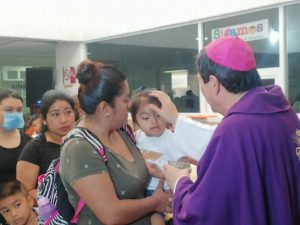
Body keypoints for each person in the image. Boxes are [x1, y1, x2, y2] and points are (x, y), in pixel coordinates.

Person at [155, 36, 300, 225]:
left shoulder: (234, 129)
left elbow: (204, 213)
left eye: (200, 83)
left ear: (214, 84)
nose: (202, 91)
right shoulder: (284, 113)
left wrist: (179, 182)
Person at [59, 59, 172, 225]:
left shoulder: (122, 130)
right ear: (105, 108)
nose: (130, 105)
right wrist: (155, 203)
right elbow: (111, 214)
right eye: (125, 100)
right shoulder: (79, 148)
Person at [130, 88, 214, 225]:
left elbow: (183, 168)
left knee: (155, 217)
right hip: (138, 188)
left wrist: (161, 174)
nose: (153, 121)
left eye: (158, 115)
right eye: (145, 117)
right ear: (136, 121)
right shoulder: (135, 138)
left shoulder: (172, 139)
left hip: (161, 190)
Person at [16, 90, 75, 202]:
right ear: (44, 120)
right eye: (55, 114)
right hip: (52, 215)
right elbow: (25, 193)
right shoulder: (34, 148)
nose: (64, 120)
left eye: (68, 112)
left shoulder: (81, 141)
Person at [0, 89, 32, 225]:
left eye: (19, 110)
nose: (15, 114)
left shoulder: (30, 142)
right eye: (8, 110)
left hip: (26, 212)